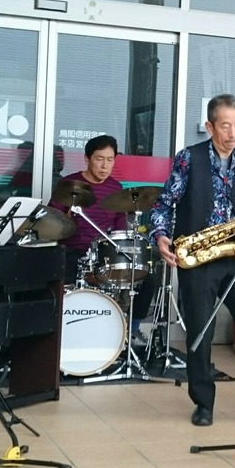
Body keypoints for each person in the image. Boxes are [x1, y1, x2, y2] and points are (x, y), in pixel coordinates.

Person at [148, 93, 235, 428]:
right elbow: (163, 204)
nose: (234, 133)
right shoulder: (188, 158)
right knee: (201, 333)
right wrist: (161, 236)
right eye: (226, 126)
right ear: (210, 126)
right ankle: (203, 403)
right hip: (197, 258)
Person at [49, 135, 154, 346]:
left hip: (104, 255)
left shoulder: (116, 189)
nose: (105, 166)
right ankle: (61, 337)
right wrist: (65, 220)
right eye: (99, 159)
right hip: (74, 252)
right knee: (57, 276)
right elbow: (52, 222)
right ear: (87, 159)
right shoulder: (68, 186)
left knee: (148, 276)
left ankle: (131, 331)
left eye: (110, 160)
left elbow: (119, 228)